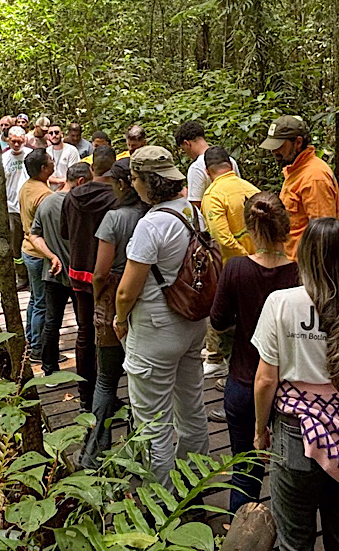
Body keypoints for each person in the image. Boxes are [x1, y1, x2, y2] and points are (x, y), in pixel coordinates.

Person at [252, 218, 339, 551]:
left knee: (294, 539)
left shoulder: (280, 303)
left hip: (294, 432)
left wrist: (260, 430)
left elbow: (266, 379)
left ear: (304, 256)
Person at [113, 146, 210, 489]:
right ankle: (196, 482)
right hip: (193, 322)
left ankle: (161, 500)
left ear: (146, 183)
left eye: (134, 179)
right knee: (192, 406)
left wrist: (119, 319)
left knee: (153, 420)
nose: (132, 184)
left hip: (155, 330)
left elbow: (127, 290)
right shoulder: (194, 213)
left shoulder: (151, 225)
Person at [211, 192, 299, 513]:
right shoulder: (300, 274)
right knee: (289, 473)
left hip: (244, 380)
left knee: (245, 469)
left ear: (248, 229)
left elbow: (218, 321)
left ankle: (240, 533)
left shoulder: (235, 269)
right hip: (290, 387)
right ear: (286, 228)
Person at [79, 157, 146, 464]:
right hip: (146, 297)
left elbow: (101, 271)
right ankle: (138, 449)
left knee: (106, 378)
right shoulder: (151, 213)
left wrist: (96, 296)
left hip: (112, 299)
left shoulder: (114, 219)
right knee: (138, 378)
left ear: (121, 184)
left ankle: (94, 451)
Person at [61, 146, 119, 409]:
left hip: (78, 272)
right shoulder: (119, 199)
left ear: (92, 167)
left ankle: (85, 397)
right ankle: (107, 394)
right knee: (111, 333)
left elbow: (64, 233)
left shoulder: (71, 197)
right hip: (108, 275)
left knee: (85, 332)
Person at [199, 145, 259, 381]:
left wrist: (244, 259)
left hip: (232, 268)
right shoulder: (251, 189)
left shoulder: (213, 196)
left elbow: (221, 238)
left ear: (207, 171)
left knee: (228, 322)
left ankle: (225, 365)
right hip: (262, 261)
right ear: (231, 165)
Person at [259, 115, 339, 260]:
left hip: (306, 266)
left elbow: (324, 234)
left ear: (298, 142)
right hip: (293, 263)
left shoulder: (314, 177)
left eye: (279, 146)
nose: (273, 152)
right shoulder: (295, 172)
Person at [29, 163, 80, 373]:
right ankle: (91, 368)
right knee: (85, 324)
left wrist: (50, 256)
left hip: (53, 273)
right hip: (79, 274)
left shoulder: (47, 202)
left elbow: (34, 235)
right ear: (81, 182)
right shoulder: (80, 204)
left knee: (52, 323)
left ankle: (49, 368)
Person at [19, 148, 55, 372]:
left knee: (35, 299)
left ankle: (31, 341)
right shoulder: (44, 196)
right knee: (42, 303)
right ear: (43, 168)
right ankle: (39, 349)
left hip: (27, 250)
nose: (53, 163)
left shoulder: (28, 187)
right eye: (50, 161)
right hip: (39, 254)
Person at [174, 120, 242, 210]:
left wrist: (185, 197)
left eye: (184, 149)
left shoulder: (196, 167)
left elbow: (195, 206)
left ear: (187, 143)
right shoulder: (229, 160)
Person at [1, 126, 31, 289]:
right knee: (16, 243)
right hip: (12, 207)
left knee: (33, 241)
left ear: (25, 139)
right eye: (14, 141)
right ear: (8, 140)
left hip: (29, 206)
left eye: (20, 141)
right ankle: (21, 275)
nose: (17, 144)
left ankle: (34, 275)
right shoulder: (4, 158)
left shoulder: (31, 155)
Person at [46, 123, 80, 188]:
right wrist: (58, 181)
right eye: (51, 133)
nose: (54, 135)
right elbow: (44, 175)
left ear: (62, 134)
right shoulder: (46, 152)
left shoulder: (71, 150)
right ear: (48, 136)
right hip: (49, 189)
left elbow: (73, 175)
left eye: (56, 132)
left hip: (67, 188)